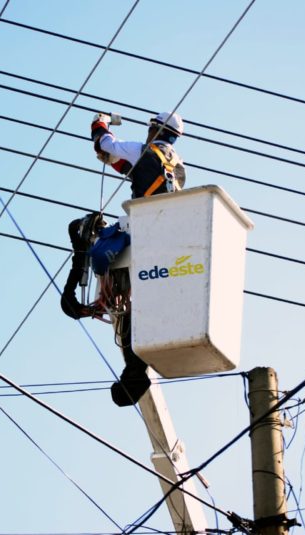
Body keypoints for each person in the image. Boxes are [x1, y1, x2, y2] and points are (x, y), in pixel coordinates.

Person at [60, 112, 188, 407]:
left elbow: (106, 143)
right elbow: (131, 169)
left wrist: (99, 123)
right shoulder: (177, 166)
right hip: (164, 233)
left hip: (139, 224)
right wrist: (111, 159)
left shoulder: (144, 149)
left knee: (98, 253)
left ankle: (101, 296)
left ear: (155, 129)